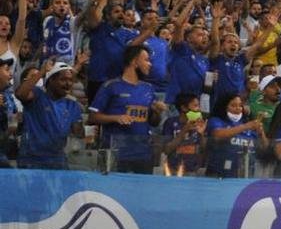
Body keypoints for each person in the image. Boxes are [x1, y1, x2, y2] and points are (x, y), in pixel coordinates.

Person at [88, 44, 164, 174]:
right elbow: (92, 117)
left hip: (142, 153)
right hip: (115, 152)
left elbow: (154, 122)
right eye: (146, 60)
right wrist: (116, 118)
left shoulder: (149, 88)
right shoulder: (111, 86)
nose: (150, 64)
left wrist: (157, 111)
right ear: (134, 61)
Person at [16, 61, 83, 169]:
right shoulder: (37, 95)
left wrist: (82, 131)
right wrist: (42, 71)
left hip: (58, 162)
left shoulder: (72, 105)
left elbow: (77, 134)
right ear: (51, 80)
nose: (68, 84)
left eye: (70, 80)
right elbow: (20, 93)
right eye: (63, 80)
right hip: (31, 161)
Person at [206, 93, 265, 178]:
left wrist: (261, 133)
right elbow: (218, 135)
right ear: (224, 107)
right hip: (219, 175)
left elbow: (264, 147)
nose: (238, 108)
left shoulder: (248, 123)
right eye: (233, 105)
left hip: (245, 174)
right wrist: (245, 127)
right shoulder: (216, 121)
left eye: (240, 105)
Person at [161, 92, 206, 176]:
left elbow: (204, 149)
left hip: (192, 170)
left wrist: (201, 134)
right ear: (184, 108)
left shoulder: (200, 123)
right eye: (195, 106)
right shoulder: (170, 123)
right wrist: (185, 130)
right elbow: (167, 150)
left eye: (198, 106)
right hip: (172, 170)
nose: (199, 109)